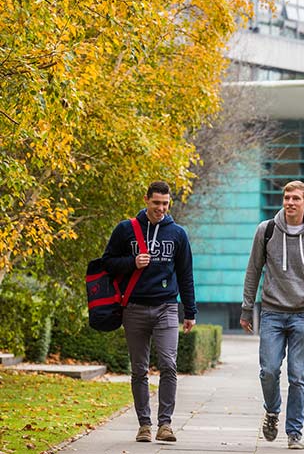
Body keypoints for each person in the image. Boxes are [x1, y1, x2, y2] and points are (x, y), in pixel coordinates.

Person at [241, 180, 304, 450]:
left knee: (298, 376)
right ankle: (272, 411)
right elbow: (253, 270)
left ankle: (294, 432)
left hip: (303, 314)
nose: (290, 202)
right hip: (272, 312)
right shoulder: (267, 230)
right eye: (287, 197)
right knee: (268, 371)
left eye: (296, 198)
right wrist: (247, 308)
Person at [102, 180, 196, 443]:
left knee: (168, 364)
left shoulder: (177, 233)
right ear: (146, 200)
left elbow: (186, 274)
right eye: (156, 203)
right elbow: (107, 263)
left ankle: (165, 425)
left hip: (167, 306)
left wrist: (190, 311)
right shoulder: (125, 230)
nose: (161, 209)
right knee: (139, 369)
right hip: (134, 308)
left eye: (165, 204)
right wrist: (132, 262)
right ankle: (144, 424)